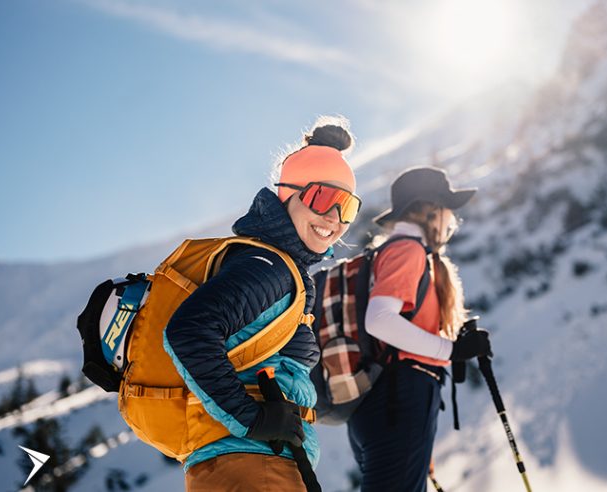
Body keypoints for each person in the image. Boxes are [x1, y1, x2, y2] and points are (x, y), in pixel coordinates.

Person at [163, 116, 361, 491]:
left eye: (346, 207)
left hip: (248, 462)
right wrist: (250, 420)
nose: (333, 218)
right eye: (322, 198)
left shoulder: (280, 268)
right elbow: (187, 330)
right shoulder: (269, 267)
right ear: (287, 193)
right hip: (252, 462)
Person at [348, 166, 492, 492]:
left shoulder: (399, 251)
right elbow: (379, 319)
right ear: (429, 210)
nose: (451, 220)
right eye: (447, 210)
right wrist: (451, 351)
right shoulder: (407, 250)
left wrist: (454, 344)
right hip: (400, 396)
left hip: (388, 400)